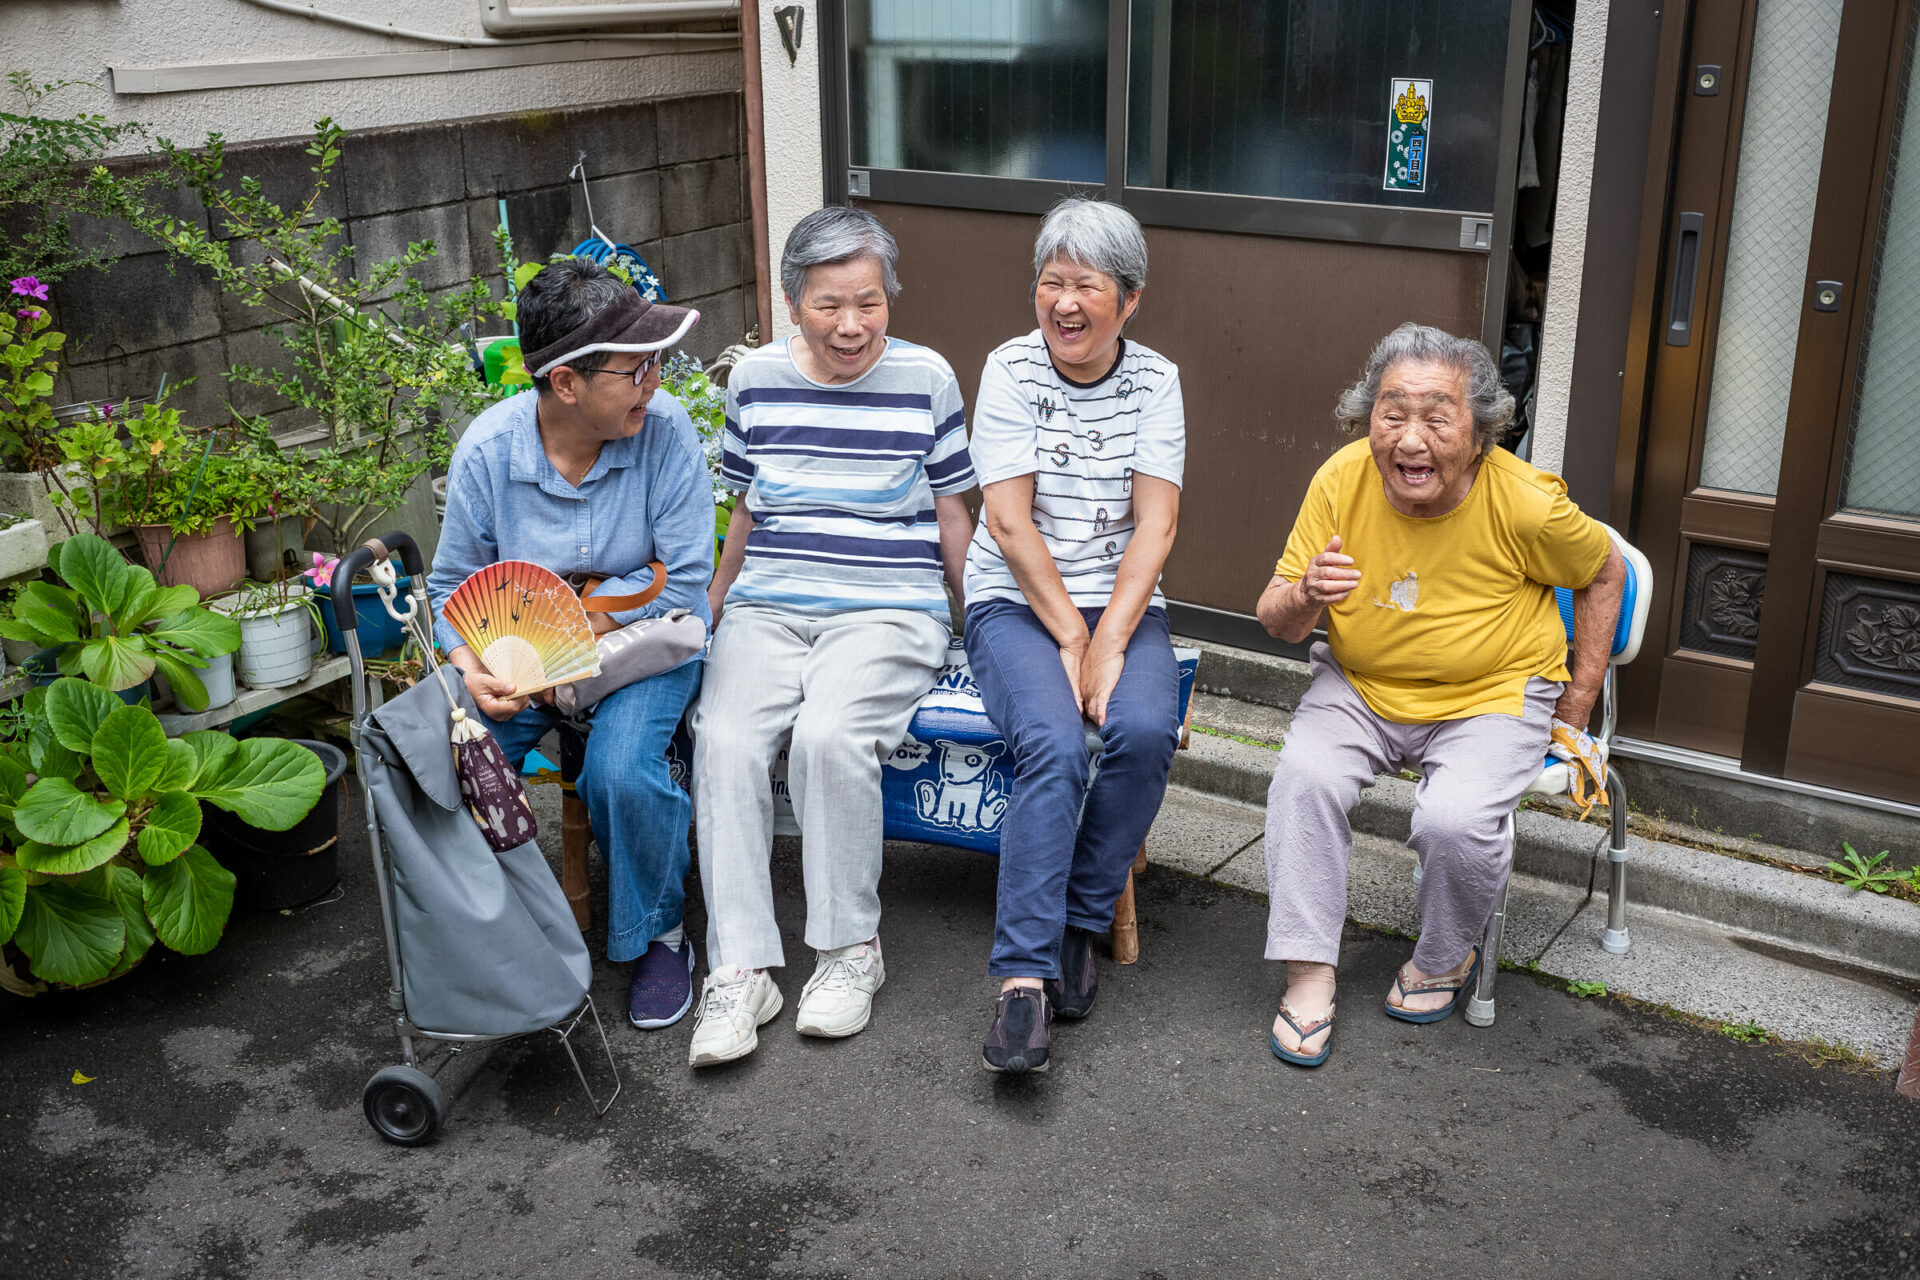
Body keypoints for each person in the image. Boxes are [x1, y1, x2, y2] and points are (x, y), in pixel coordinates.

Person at [1256, 322, 1625, 1067]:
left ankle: (1444, 956)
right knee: (1304, 780)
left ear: (1481, 432)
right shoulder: (1340, 480)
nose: (1410, 439)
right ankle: (1307, 972)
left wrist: (1576, 710)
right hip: (1361, 684)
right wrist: (1305, 594)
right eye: (1392, 414)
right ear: (1368, 419)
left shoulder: (1523, 502)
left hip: (1490, 694)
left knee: (1454, 821)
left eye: (1436, 416)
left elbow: (1606, 571)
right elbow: (1276, 619)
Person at [687, 206, 976, 1067]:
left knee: (830, 736)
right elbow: (742, 503)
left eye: (869, 303)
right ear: (790, 301)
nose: (851, 324)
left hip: (887, 607)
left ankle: (852, 950)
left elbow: (955, 510)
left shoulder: (927, 378)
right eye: (828, 305)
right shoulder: (754, 381)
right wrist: (715, 598)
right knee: (728, 740)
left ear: (888, 297)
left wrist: (977, 623)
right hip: (769, 606)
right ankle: (741, 968)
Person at [427, 257, 714, 1032]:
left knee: (623, 772)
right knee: (452, 752)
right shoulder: (489, 454)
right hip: (515, 659)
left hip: (640, 648)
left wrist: (579, 635)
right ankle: (494, 933)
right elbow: (450, 588)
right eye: (635, 369)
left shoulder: (667, 430)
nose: (654, 382)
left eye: (656, 363)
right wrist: (470, 666)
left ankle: (658, 932)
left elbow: (686, 581)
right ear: (565, 385)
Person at [962, 197, 1185, 1075]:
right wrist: (1068, 634)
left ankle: (1079, 924)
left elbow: (1156, 527)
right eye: (1051, 283)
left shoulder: (1156, 379)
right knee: (1053, 740)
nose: (1064, 303)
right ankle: (1021, 977)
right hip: (1017, 601)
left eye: (1085, 286)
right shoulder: (1010, 370)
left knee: (1140, 729)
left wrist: (1111, 639)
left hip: (1123, 604)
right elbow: (1009, 523)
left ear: (1128, 301)